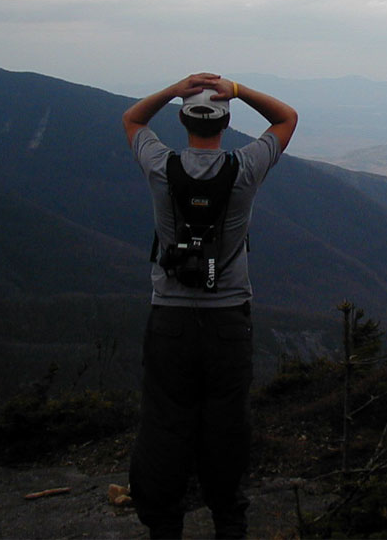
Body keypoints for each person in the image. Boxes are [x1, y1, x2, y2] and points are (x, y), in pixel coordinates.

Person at [122, 72, 298, 539]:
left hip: (170, 318)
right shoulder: (244, 168)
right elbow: (287, 118)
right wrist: (238, 90)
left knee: (165, 422)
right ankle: (229, 522)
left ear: (183, 119)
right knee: (226, 423)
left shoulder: (161, 166)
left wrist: (171, 89)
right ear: (225, 122)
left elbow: (132, 119)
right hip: (228, 319)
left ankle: (165, 525)